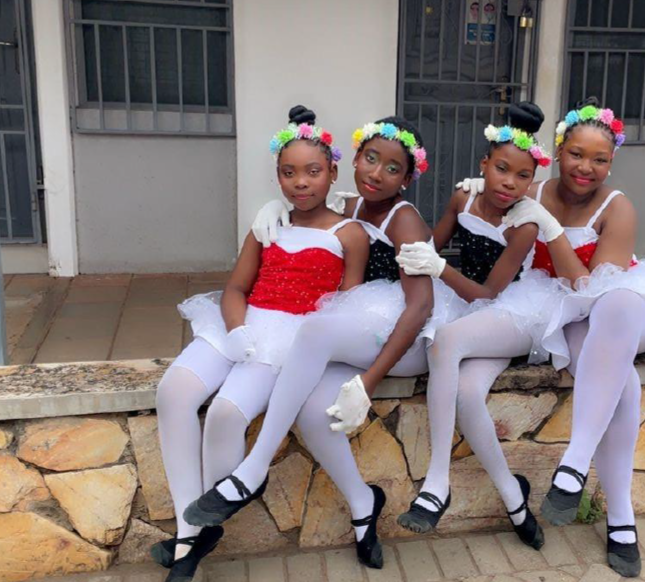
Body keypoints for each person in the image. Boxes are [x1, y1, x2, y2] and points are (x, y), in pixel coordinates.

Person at [182, 116, 466, 568]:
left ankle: (253, 468)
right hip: (358, 329)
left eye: (392, 168)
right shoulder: (350, 203)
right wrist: (270, 210)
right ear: (353, 159)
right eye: (370, 158)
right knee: (316, 414)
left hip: (405, 339)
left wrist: (369, 383)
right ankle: (363, 504)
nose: (376, 173)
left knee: (314, 328)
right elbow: (306, 200)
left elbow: (419, 308)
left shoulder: (405, 219)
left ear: (408, 179)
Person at [465, 98, 645, 577]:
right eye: (576, 154)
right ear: (558, 151)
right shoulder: (530, 190)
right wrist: (474, 192)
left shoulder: (617, 206)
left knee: (617, 304)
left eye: (599, 159)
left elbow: (595, 288)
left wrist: (552, 234)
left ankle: (575, 460)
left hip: (624, 309)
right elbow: (488, 202)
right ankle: (621, 518)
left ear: (611, 162)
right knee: (620, 383)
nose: (586, 167)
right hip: (569, 314)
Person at [153, 106, 368, 582]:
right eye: (288, 172)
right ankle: (190, 530)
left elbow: (347, 309)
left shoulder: (348, 234)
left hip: (292, 339)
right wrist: (236, 329)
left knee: (226, 413)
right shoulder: (268, 223)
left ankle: (203, 526)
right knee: (173, 391)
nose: (300, 182)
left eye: (313, 171)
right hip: (240, 325)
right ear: (277, 175)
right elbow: (235, 287)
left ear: (332, 172)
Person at [392, 102, 560, 549]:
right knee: (467, 395)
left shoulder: (523, 223)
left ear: (532, 181)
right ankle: (514, 498)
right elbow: (431, 246)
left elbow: (487, 294)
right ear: (484, 164)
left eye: (522, 176)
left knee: (444, 340)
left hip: (514, 312)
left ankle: (437, 480)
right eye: (501, 168)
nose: (509, 182)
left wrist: (440, 269)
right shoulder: (462, 198)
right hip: (471, 309)